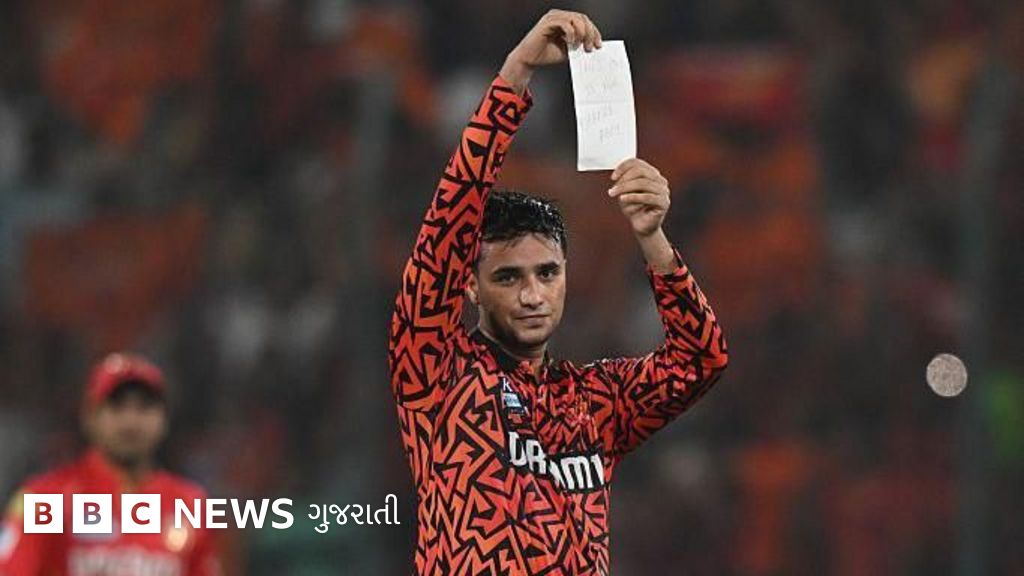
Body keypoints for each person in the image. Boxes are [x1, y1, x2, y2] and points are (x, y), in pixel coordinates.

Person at [387, 9, 729, 574]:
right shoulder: (437, 374)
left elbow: (701, 360)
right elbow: (446, 228)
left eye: (547, 273)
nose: (532, 295)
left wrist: (652, 239)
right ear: (469, 286)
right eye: (508, 276)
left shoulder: (595, 401)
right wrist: (515, 73)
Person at [0, 353, 221, 576]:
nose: (131, 422)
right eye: (117, 406)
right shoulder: (47, 499)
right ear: (90, 417)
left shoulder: (190, 503)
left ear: (164, 419)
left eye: (144, 407)